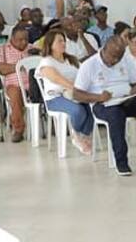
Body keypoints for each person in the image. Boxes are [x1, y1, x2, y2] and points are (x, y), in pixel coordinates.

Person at [73, 34, 136, 176]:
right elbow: (76, 94)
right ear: (104, 50)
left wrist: (132, 93)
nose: (116, 60)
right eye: (113, 56)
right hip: (102, 104)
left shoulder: (126, 60)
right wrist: (99, 97)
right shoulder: (89, 65)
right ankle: (121, 162)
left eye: (119, 57)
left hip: (126, 100)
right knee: (116, 115)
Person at [37, 27, 94, 155]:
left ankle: (84, 136)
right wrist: (77, 89)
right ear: (50, 45)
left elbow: (84, 74)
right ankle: (76, 135)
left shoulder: (71, 59)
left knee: (92, 108)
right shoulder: (46, 62)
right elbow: (56, 79)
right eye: (59, 41)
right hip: (55, 98)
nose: (63, 43)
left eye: (64, 41)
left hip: (75, 94)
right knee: (78, 110)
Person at [0, 24, 32, 142]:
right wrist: (20, 66)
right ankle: (18, 129)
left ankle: (54, 123)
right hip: (13, 85)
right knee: (15, 94)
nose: (24, 42)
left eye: (26, 39)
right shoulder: (1, 49)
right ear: (12, 38)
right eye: (20, 39)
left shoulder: (32, 48)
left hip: (33, 84)